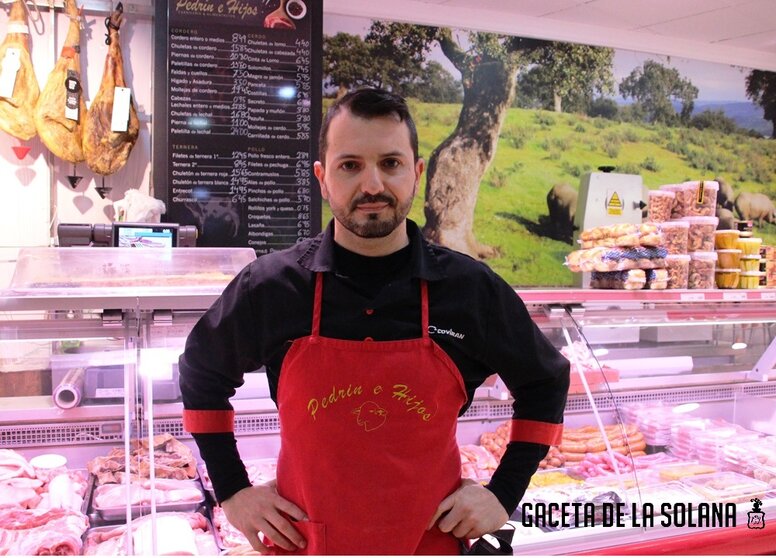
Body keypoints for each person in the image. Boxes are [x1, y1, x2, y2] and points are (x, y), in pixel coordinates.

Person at [179, 87, 569, 555]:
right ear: (323, 179)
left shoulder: (469, 289)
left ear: (416, 173)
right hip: (310, 545)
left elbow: (546, 381)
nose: (372, 186)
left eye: (390, 163)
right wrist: (233, 490)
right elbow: (201, 373)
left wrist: (503, 493)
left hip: (431, 544)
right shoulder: (274, 287)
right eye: (350, 165)